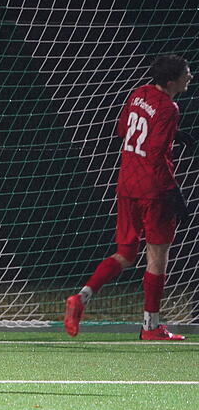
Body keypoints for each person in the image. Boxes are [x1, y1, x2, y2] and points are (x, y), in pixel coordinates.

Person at [64, 54, 193, 340]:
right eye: (186, 73)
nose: (190, 77)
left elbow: (124, 130)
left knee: (125, 253)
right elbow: (158, 156)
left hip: (126, 184)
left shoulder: (139, 94)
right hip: (154, 190)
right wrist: (174, 193)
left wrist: (173, 134)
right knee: (157, 256)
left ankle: (80, 298)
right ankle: (150, 327)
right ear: (171, 81)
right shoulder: (169, 108)